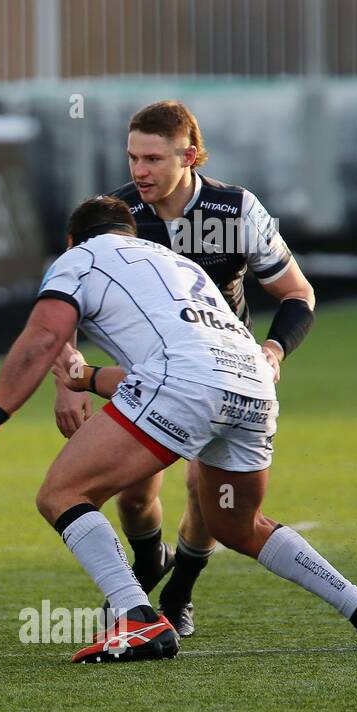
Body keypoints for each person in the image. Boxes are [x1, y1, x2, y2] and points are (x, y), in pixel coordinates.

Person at [0, 195, 357, 663]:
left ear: (71, 240)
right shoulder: (176, 264)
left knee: (61, 494)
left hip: (186, 385)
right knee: (237, 524)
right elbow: (175, 361)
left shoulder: (81, 258)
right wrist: (86, 379)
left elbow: (42, 338)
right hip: (252, 383)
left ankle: (137, 615)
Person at [54, 100, 318, 636]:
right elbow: (65, 303)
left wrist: (272, 351)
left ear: (190, 156)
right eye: (132, 158)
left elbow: (297, 293)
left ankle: (179, 592)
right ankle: (149, 558)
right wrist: (68, 381)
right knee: (133, 494)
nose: (139, 171)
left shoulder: (236, 209)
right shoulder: (118, 217)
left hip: (220, 374)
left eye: (152, 158)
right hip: (143, 377)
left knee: (206, 490)